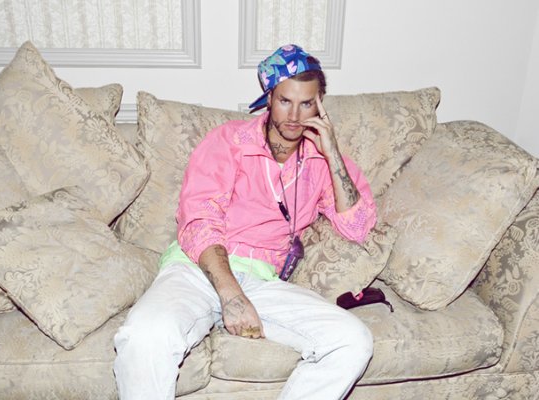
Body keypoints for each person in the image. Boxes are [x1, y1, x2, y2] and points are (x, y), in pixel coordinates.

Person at [113, 44, 377, 400]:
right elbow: (199, 221)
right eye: (285, 101)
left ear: (320, 105)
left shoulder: (321, 159)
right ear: (269, 98)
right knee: (144, 337)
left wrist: (331, 153)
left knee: (352, 341)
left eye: (306, 104)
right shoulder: (228, 140)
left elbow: (356, 227)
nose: (294, 116)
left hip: (262, 281)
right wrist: (231, 294)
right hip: (198, 268)